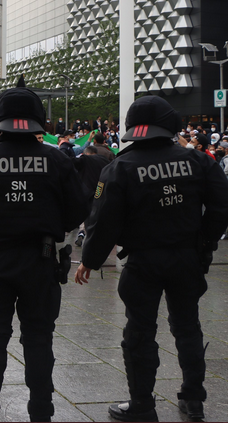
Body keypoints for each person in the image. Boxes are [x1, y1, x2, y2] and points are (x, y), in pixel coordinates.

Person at [75, 96, 228, 423]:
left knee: (140, 331)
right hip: (187, 257)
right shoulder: (199, 162)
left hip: (142, 261)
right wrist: (205, 243)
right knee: (188, 327)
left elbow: (104, 222)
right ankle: (194, 400)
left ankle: (142, 404)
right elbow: (220, 207)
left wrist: (90, 258)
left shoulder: (120, 167)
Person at [0, 86, 87, 422]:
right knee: (39, 338)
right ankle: (41, 412)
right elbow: (77, 210)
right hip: (40, 263)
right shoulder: (58, 159)